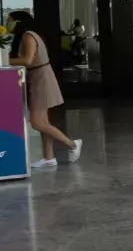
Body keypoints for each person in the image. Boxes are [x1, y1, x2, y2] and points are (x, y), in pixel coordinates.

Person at [8, 10, 81, 169]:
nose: (7, 24)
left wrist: (4, 60)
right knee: (44, 122)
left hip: (41, 78)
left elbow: (27, 60)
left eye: (10, 20)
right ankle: (49, 157)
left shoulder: (28, 35)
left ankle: (72, 144)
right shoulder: (25, 36)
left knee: (36, 123)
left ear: (19, 22)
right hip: (38, 78)